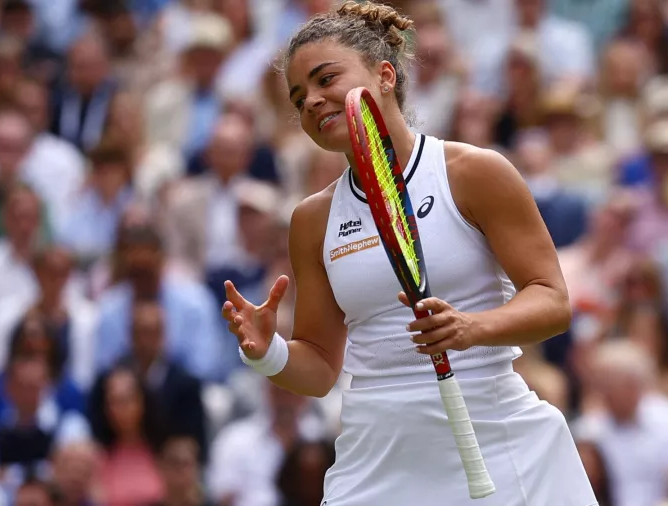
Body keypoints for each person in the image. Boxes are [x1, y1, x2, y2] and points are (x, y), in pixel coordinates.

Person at [221, 2, 596, 505]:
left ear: (384, 74)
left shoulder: (474, 172)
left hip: (497, 443)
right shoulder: (311, 220)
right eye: (298, 95)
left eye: (325, 78)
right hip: (375, 460)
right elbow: (319, 368)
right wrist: (269, 353)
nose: (311, 100)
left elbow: (553, 302)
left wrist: (471, 328)